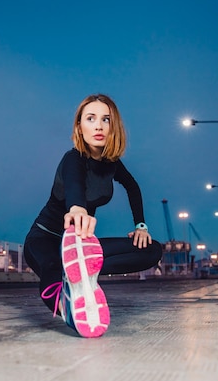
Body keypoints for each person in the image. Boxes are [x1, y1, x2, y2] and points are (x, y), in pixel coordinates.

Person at [24, 93, 162, 338]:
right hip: (45, 238)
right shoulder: (72, 158)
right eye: (91, 118)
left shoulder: (113, 164)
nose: (98, 125)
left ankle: (84, 271)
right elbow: (74, 183)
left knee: (152, 250)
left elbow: (133, 186)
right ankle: (68, 308)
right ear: (80, 126)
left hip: (81, 246)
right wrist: (77, 208)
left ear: (113, 126)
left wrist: (140, 225)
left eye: (106, 119)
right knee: (53, 267)